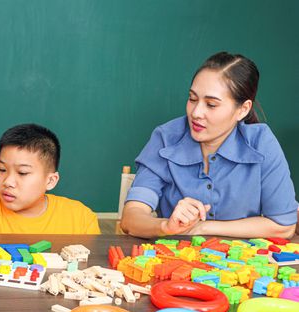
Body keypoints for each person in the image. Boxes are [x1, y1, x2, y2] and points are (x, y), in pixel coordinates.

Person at [121, 52, 297, 239]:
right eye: (192, 99)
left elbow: (283, 225)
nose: (196, 113)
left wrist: (202, 228)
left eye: (211, 104)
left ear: (243, 109)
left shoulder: (262, 143)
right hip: (175, 261)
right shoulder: (166, 138)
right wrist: (166, 226)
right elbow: (131, 218)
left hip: (240, 266)